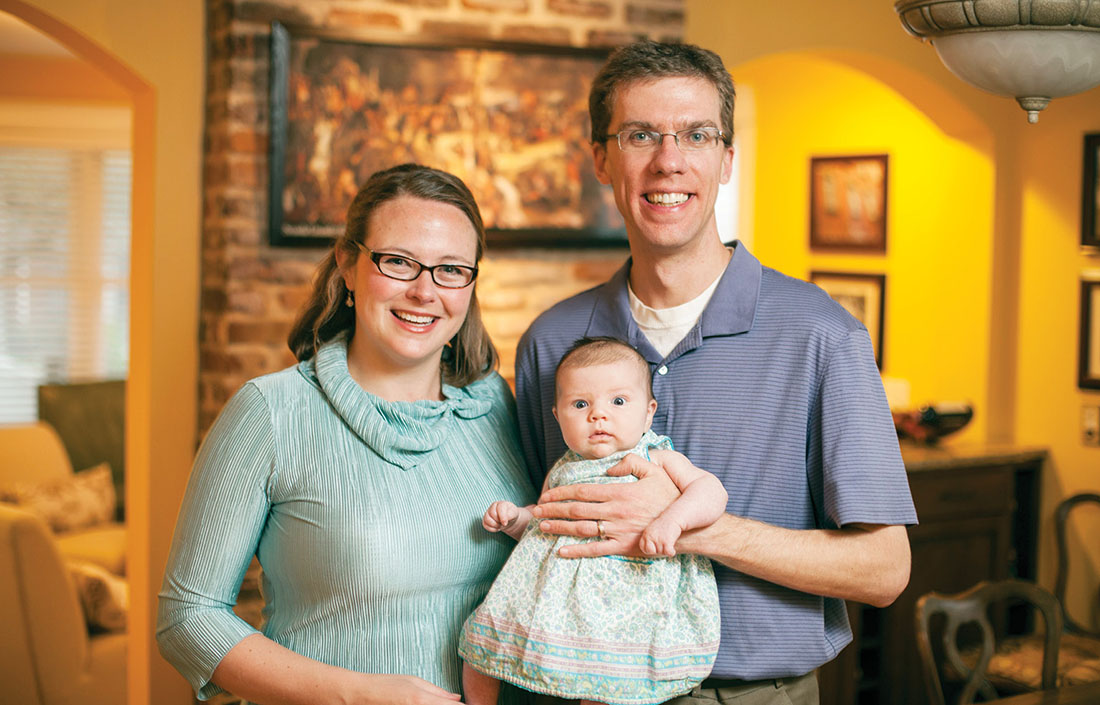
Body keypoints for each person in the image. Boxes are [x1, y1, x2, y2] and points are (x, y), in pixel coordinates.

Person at [514, 41, 917, 705]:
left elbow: (885, 569)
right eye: (641, 134)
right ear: (600, 159)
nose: (668, 160)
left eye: (696, 134)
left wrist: (694, 524)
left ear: (726, 159)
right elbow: (535, 531)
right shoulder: (551, 343)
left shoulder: (823, 335)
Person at [157, 163, 535, 705]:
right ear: (349, 265)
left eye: (452, 269)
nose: (426, 291)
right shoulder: (270, 412)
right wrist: (358, 694)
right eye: (400, 262)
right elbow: (187, 618)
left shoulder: (494, 404)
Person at [460, 337, 728, 705]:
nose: (598, 415)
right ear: (557, 416)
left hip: (625, 599)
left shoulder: (656, 456)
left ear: (649, 412)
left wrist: (673, 521)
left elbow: (711, 492)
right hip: (557, 599)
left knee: (605, 686)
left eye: (618, 401)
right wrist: (516, 519)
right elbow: (546, 525)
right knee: (482, 647)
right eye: (580, 404)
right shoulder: (566, 467)